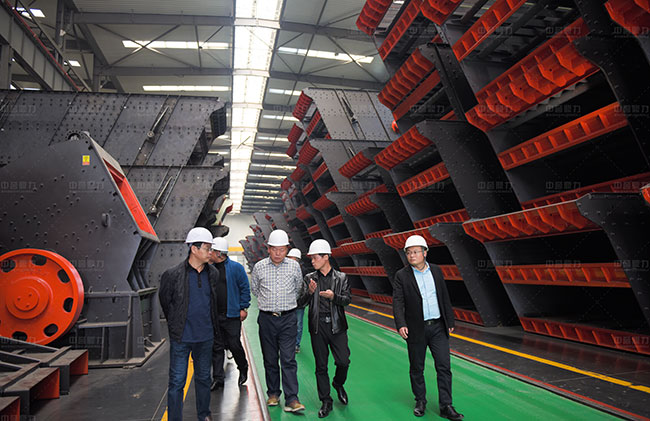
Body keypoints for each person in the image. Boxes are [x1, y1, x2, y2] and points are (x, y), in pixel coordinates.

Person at [392, 235, 463, 420]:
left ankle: (446, 406)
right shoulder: (402, 275)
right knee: (417, 367)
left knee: (444, 366)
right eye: (408, 252)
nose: (412, 255)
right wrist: (401, 324)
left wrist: (450, 320)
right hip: (416, 329)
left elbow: (444, 296)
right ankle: (420, 401)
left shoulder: (437, 271)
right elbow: (398, 302)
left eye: (416, 252)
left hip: (438, 326)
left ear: (425, 252)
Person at [159, 227, 221, 421]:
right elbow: (165, 302)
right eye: (207, 248)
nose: (210, 252)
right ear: (194, 249)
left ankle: (204, 415)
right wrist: (176, 325)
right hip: (182, 338)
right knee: (177, 382)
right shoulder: (173, 275)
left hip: (205, 337)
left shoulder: (213, 274)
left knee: (204, 378)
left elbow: (214, 303)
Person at [250, 229, 305, 413]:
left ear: (287, 249)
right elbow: (255, 289)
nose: (278, 253)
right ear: (268, 249)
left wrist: (284, 304)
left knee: (288, 359)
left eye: (282, 249)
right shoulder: (259, 267)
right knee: (270, 358)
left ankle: (292, 398)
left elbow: (298, 288)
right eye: (274, 249)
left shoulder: (294, 267)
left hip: (288, 318)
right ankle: (273, 393)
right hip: (267, 319)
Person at [298, 239, 350, 418]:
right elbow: (301, 303)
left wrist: (334, 296)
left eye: (315, 258)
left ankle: (338, 383)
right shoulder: (309, 278)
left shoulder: (341, 278)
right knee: (321, 365)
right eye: (311, 258)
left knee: (343, 361)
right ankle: (326, 400)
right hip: (318, 327)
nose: (312, 261)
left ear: (326, 257)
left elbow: (347, 300)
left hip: (337, 326)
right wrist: (309, 293)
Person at [209, 237, 251, 390]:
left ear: (219, 253)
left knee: (234, 344)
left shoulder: (236, 268)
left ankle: (243, 367)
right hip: (214, 315)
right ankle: (218, 378)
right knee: (217, 347)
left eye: (212, 250)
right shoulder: (209, 269)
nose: (209, 253)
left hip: (232, 315)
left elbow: (244, 288)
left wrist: (243, 307)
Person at [287, 248, 307, 353]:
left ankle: (296, 344)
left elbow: (305, 288)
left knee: (298, 325)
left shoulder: (304, 272)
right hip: (287, 303)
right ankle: (287, 343)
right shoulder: (284, 270)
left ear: (298, 260)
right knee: (287, 324)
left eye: (293, 259)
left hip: (299, 304)